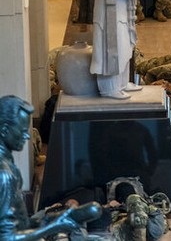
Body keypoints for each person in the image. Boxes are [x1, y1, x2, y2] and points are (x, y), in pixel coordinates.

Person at [0, 96, 101, 238]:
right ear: (4, 131)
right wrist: (55, 226)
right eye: (22, 130)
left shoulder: (6, 163)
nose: (28, 136)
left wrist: (52, 218)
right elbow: (7, 237)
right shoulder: (4, 175)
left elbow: (21, 224)